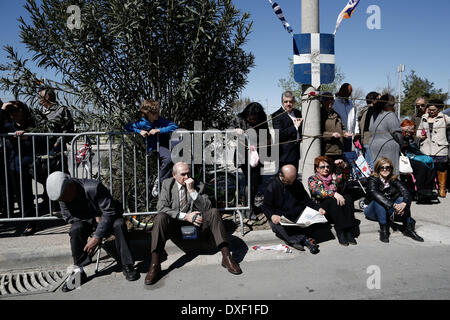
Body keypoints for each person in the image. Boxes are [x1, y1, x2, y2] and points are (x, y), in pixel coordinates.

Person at [145, 162, 242, 285]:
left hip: (197, 225)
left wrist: (192, 191)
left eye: (188, 173)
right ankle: (155, 264)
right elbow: (161, 207)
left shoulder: (197, 184)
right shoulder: (167, 184)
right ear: (174, 175)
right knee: (160, 217)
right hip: (176, 226)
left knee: (213, 212)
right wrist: (185, 216)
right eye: (183, 174)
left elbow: (207, 206)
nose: (187, 177)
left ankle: (226, 257)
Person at [45, 171, 139, 292]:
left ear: (71, 186)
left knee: (119, 224)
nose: (63, 200)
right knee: (75, 229)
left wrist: (96, 237)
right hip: (89, 220)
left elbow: (109, 211)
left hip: (109, 218)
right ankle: (78, 271)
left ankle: (127, 265)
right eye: (60, 199)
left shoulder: (93, 187)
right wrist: (94, 219)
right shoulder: (63, 197)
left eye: (64, 196)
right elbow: (69, 217)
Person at [262, 164, 333, 254]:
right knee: (276, 225)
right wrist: (272, 216)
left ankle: (295, 240)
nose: (291, 183)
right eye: (288, 181)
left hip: (298, 215)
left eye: (293, 180)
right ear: (281, 175)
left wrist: (318, 209)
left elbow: (307, 201)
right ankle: (304, 240)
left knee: (318, 222)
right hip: (283, 218)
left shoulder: (296, 183)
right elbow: (266, 207)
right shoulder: (272, 187)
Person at [125, 99, 178, 197]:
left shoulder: (160, 119)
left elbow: (174, 126)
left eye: (158, 112)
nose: (157, 114)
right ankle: (160, 182)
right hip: (155, 147)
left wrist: (159, 130)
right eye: (155, 113)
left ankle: (171, 181)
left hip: (165, 145)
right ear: (148, 113)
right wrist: (139, 131)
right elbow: (128, 126)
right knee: (169, 158)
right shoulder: (142, 123)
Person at [364, 158, 424, 243]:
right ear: (378, 168)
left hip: (388, 209)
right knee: (379, 201)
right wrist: (393, 205)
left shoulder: (394, 179)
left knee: (402, 199)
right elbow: (375, 193)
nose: (385, 170)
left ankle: (409, 229)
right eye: (382, 167)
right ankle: (384, 230)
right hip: (372, 211)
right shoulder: (372, 179)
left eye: (387, 167)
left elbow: (405, 192)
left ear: (391, 169)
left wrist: (404, 203)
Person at [34, 87, 74, 213]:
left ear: (47, 97)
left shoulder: (61, 110)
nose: (38, 99)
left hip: (56, 151)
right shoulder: (40, 112)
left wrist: (58, 143)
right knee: (44, 177)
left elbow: (69, 130)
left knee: (61, 178)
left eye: (40, 96)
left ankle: (66, 205)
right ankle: (49, 201)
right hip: (42, 152)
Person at [308, 156, 359, 246]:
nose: (326, 169)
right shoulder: (312, 179)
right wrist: (334, 194)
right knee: (332, 200)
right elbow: (318, 192)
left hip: (335, 211)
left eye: (328, 166)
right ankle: (340, 231)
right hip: (322, 210)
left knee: (347, 197)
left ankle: (348, 231)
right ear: (317, 169)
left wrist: (344, 166)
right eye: (322, 167)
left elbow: (346, 176)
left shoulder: (333, 176)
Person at [2, 101, 36, 235]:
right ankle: (26, 220)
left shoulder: (32, 124)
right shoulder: (8, 126)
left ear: (22, 110)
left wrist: (27, 135)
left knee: (26, 194)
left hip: (28, 164)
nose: (13, 114)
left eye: (15, 110)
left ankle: (31, 223)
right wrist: (4, 108)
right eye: (11, 112)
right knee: (18, 194)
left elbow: (42, 139)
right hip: (12, 165)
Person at [233, 102, 270, 220]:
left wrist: (268, 140)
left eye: (255, 117)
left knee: (255, 182)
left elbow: (266, 133)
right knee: (251, 182)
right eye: (250, 117)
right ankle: (248, 210)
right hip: (243, 155)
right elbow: (228, 130)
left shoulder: (263, 118)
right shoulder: (239, 118)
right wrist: (235, 131)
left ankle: (250, 206)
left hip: (258, 154)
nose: (252, 119)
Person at [417, 99, 450, 198]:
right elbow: (419, 130)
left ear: (438, 109)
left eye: (433, 110)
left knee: (441, 168)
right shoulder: (424, 117)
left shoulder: (444, 117)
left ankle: (442, 188)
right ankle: (429, 188)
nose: (431, 111)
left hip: (440, 148)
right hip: (426, 148)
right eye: (430, 109)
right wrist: (420, 136)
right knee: (428, 168)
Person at [400, 119, 437, 200]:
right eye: (408, 128)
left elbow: (417, 149)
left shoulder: (413, 137)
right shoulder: (400, 136)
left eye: (412, 129)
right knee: (422, 167)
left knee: (431, 164)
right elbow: (403, 148)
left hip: (417, 156)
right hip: (406, 158)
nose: (410, 131)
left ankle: (428, 189)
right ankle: (420, 190)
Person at [368, 93, 403, 174]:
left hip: (373, 147)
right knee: (390, 173)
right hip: (388, 148)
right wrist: (401, 145)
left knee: (378, 173)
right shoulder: (390, 115)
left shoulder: (375, 115)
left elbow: (370, 129)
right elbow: (397, 134)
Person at [271, 91, 302, 170]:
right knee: (283, 180)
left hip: (295, 153)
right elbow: (280, 134)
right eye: (286, 102)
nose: (288, 104)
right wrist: (295, 127)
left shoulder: (298, 113)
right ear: (282, 102)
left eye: (291, 101)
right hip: (283, 156)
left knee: (294, 179)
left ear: (294, 102)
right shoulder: (276, 115)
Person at [320, 92, 346, 162]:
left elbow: (342, 128)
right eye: (327, 100)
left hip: (338, 150)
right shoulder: (319, 114)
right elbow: (317, 133)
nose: (329, 102)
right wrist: (331, 135)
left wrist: (345, 133)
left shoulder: (336, 114)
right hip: (327, 151)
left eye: (331, 100)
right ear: (322, 102)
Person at [333, 83, 360, 152]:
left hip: (349, 136)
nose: (348, 95)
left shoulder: (350, 103)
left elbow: (355, 119)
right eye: (346, 93)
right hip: (339, 136)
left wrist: (356, 131)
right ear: (341, 91)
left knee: (349, 157)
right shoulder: (334, 102)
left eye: (349, 93)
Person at [357, 91, 380, 169]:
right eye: (379, 99)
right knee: (371, 166)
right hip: (370, 141)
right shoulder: (370, 111)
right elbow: (366, 127)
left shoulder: (366, 110)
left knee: (370, 165)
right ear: (373, 100)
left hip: (367, 140)